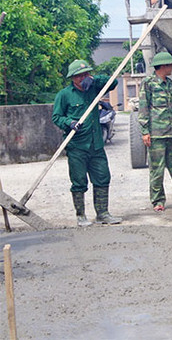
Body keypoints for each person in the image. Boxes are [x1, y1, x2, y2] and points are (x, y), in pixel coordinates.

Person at [52, 59, 121, 227]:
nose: (83, 78)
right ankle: (81, 215)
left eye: (85, 74)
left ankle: (102, 213)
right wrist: (68, 122)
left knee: (103, 177)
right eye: (79, 76)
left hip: (96, 144)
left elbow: (114, 82)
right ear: (73, 78)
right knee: (79, 181)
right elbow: (56, 116)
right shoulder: (65, 95)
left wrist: (95, 79)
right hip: (77, 146)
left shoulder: (94, 89)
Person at [138, 52, 172, 212]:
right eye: (170, 65)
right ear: (163, 66)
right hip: (156, 134)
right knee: (157, 170)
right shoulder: (148, 83)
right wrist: (145, 131)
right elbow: (144, 108)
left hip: (171, 133)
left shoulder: (169, 83)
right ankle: (158, 201)